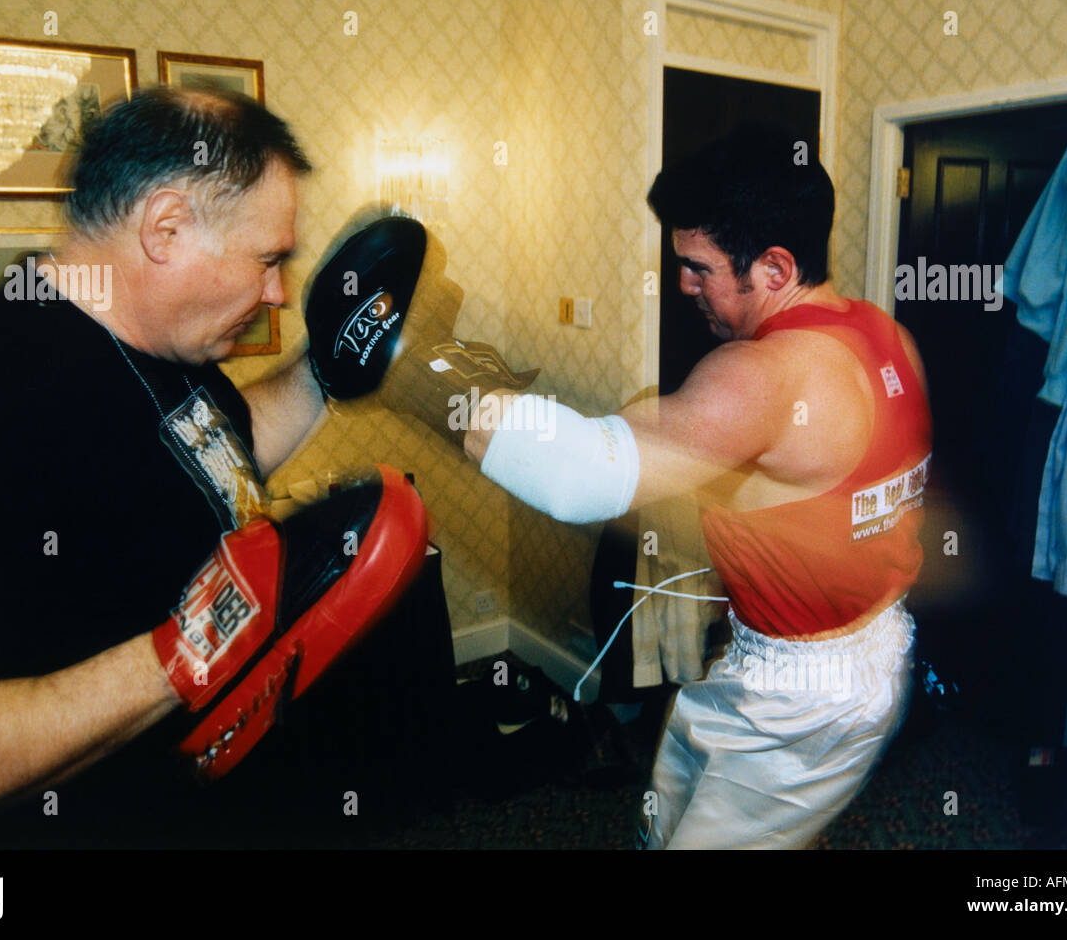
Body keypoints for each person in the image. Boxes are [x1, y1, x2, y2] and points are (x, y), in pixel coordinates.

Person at [0, 85, 426, 848]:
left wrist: (325, 370)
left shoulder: (164, 346)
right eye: (267, 259)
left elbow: (213, 447)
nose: (278, 291)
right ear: (166, 228)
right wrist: (186, 650)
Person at [398, 127, 933, 848]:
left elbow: (579, 476)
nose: (683, 284)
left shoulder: (764, 375)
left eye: (698, 266)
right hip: (827, 647)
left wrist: (413, 369)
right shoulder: (885, 335)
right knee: (670, 805)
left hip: (809, 693)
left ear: (774, 267)